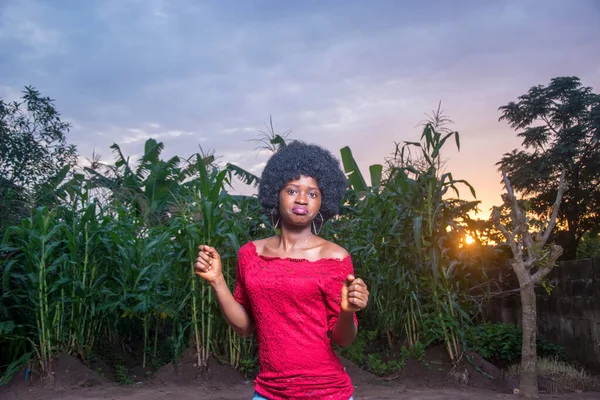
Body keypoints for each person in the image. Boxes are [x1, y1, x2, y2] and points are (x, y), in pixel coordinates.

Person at [194, 141, 370, 400]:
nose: (301, 199)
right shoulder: (250, 254)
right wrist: (217, 281)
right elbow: (244, 328)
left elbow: (344, 339)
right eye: (292, 190)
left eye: (313, 193)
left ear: (323, 201)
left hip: (327, 392)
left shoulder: (335, 257)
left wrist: (347, 311)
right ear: (276, 193)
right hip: (269, 392)